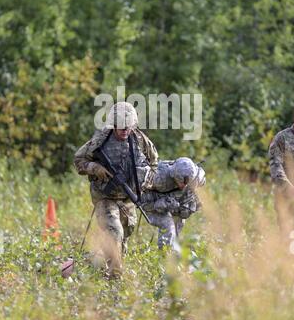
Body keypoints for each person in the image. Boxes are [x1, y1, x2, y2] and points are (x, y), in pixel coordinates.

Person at [74, 102, 158, 277]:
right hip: (105, 196)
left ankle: (97, 261)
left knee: (124, 236)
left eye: (127, 127)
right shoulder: (100, 140)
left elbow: (154, 162)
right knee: (115, 232)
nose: (124, 131)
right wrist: (94, 168)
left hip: (128, 197)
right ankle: (115, 276)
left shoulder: (139, 140)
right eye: (120, 127)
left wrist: (145, 180)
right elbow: (79, 160)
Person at [140, 158, 206, 249]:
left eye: (187, 182)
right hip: (153, 205)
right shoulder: (158, 178)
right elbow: (141, 200)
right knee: (168, 224)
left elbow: (197, 192)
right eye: (181, 181)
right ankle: (165, 256)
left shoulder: (194, 177)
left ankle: (173, 251)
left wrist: (191, 205)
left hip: (175, 203)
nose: (184, 185)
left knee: (178, 223)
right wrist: (159, 204)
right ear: (173, 175)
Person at [269, 105, 294, 237]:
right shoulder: (282, 138)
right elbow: (275, 166)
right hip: (287, 198)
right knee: (289, 237)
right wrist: (288, 188)